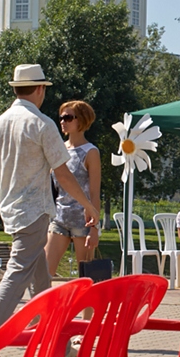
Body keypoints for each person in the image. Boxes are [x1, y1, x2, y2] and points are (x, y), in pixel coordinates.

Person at [0, 64, 98, 357]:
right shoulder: (41, 124)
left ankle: (58, 347)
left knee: (41, 283)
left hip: (10, 206)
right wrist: (89, 204)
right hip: (34, 211)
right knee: (19, 272)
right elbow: (63, 173)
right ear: (40, 89)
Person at [44, 100, 100, 279]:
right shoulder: (59, 149)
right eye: (61, 117)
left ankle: (87, 309)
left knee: (86, 279)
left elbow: (94, 193)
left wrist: (95, 228)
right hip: (59, 218)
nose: (63, 121)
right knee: (45, 272)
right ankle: (46, 308)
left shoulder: (91, 152)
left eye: (68, 117)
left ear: (81, 120)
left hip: (83, 223)